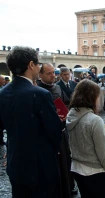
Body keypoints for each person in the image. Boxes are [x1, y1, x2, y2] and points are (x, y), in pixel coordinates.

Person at [0, 46, 63, 197]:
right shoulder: (39, 94)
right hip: (39, 165)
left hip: (16, 162)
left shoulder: (3, 92)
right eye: (38, 64)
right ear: (31, 65)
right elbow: (54, 131)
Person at [66, 79, 105, 198]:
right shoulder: (94, 121)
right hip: (95, 172)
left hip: (77, 168)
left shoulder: (72, 114)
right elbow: (104, 153)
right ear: (92, 97)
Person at [37, 63, 72, 197]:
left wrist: (66, 112)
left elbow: (66, 102)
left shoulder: (57, 87)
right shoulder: (37, 89)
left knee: (65, 164)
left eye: (54, 72)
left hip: (61, 132)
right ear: (40, 75)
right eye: (49, 73)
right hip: (46, 136)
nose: (53, 76)